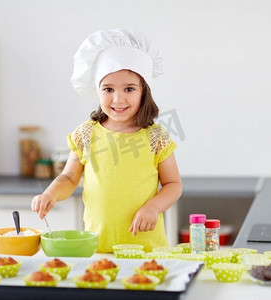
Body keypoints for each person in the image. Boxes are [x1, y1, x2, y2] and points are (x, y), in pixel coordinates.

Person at [31, 28, 182, 253]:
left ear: (144, 92)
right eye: (108, 89)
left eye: (129, 89)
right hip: (98, 248)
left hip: (146, 250)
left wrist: (153, 207)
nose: (118, 98)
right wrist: (50, 193)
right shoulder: (86, 134)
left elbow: (173, 184)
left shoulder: (156, 137)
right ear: (98, 91)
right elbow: (70, 177)